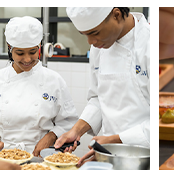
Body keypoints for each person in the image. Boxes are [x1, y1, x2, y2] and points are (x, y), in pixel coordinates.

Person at [54, 7, 150, 167]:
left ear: (116, 15)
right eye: (85, 35)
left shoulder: (150, 44)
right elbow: (99, 98)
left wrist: (112, 141)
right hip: (108, 152)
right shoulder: (99, 48)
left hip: (145, 155)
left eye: (95, 33)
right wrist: (76, 131)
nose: (91, 42)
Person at [0, 16, 78, 157]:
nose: (27, 59)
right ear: (10, 48)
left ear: (39, 47)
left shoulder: (54, 80)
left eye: (33, 52)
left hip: (41, 154)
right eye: (20, 53)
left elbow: (68, 121)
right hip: (2, 155)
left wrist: (52, 136)